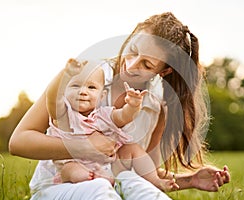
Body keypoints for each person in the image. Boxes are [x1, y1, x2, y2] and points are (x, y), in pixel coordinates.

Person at [9, 12, 230, 200]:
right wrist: (84, 147)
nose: (132, 65)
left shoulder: (155, 108)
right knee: (98, 189)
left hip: (110, 196)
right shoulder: (81, 77)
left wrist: (190, 180)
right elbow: (18, 142)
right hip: (56, 192)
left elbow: (144, 174)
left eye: (146, 64)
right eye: (132, 50)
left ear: (164, 71)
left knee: (135, 184)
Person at [47, 57, 178, 191]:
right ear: (64, 90)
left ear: (102, 95)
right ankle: (92, 181)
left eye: (91, 87)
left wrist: (133, 106)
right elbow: (52, 99)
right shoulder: (64, 114)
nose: (83, 91)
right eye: (75, 86)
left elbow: (123, 116)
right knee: (72, 169)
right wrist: (65, 75)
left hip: (106, 166)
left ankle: (155, 181)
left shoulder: (102, 115)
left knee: (132, 148)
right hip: (75, 165)